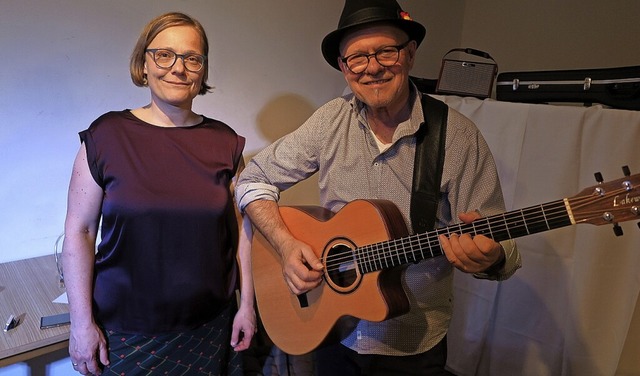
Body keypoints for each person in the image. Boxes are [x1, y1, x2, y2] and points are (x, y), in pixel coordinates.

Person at [235, 0, 521, 375]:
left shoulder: (459, 137)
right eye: (356, 58)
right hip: (333, 329)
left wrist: (492, 257)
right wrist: (286, 246)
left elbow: (500, 240)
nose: (372, 67)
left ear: (411, 53)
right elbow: (252, 179)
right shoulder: (330, 121)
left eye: (386, 51)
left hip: (415, 344)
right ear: (343, 67)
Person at [62, 12, 255, 375]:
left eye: (191, 58)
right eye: (164, 55)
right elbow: (80, 232)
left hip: (211, 327)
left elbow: (243, 233)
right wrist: (80, 324)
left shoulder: (226, 143)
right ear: (144, 63)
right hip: (126, 332)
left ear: (203, 71)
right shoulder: (106, 136)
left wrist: (248, 305)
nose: (178, 68)